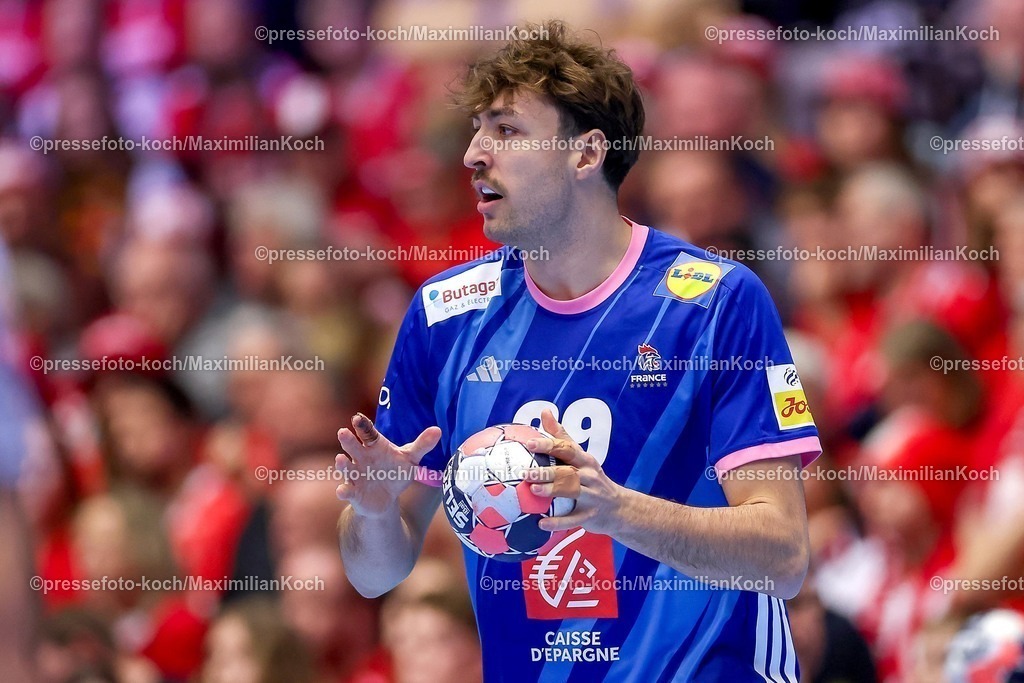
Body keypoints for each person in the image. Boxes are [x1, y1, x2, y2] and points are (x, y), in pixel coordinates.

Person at [336, 20, 820, 682]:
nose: (475, 153)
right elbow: (374, 574)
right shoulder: (447, 315)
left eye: (507, 131)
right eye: (478, 130)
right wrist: (373, 508)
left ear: (586, 153)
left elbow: (785, 556)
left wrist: (614, 509)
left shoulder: (713, 303)